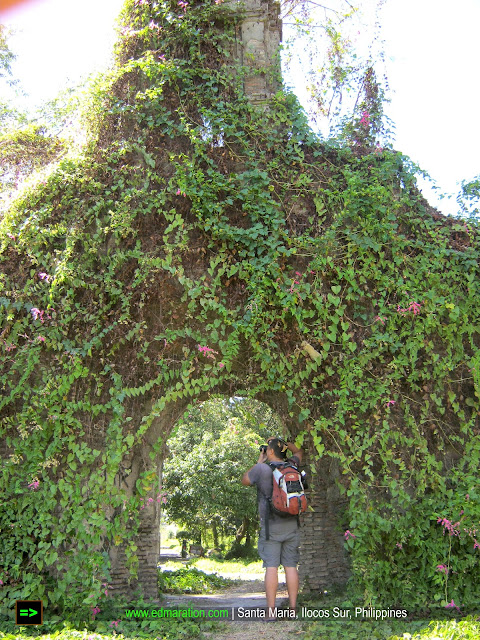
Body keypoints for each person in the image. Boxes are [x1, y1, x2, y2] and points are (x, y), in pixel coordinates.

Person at [241, 437, 303, 619]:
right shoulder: (292, 465)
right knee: (291, 566)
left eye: (267, 449)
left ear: (269, 452)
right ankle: (292, 610)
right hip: (292, 524)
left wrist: (258, 463)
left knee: (272, 567)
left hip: (271, 527)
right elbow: (299, 452)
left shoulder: (262, 469)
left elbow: (245, 480)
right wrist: (285, 442)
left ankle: (271, 612)